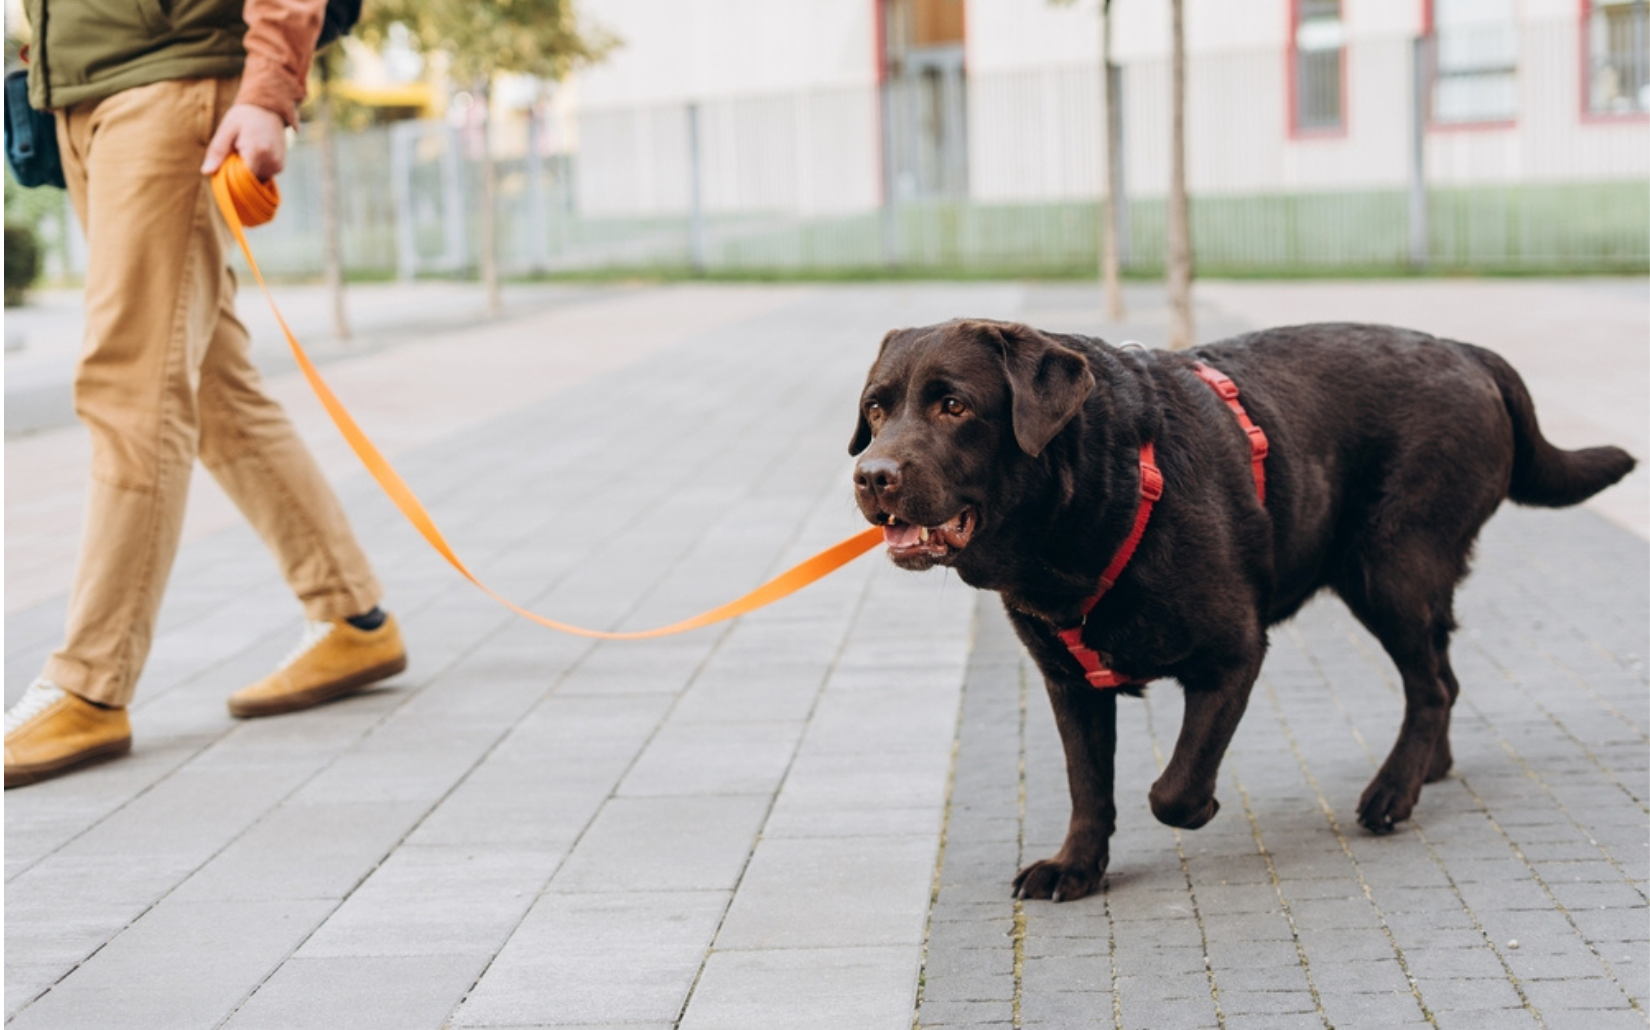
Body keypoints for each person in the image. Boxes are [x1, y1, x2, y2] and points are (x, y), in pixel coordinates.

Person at [5, 0, 407, 788]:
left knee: (130, 383)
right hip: (86, 91)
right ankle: (351, 616)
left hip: (174, 84)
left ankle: (91, 681)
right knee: (215, 387)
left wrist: (265, 90)